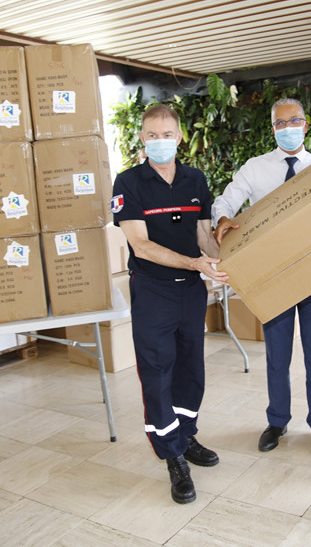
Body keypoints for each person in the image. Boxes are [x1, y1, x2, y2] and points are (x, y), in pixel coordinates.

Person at [111, 103, 228, 505]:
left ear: (179, 137)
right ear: (142, 137)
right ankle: (172, 455)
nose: (159, 141)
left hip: (190, 291)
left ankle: (186, 436)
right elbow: (140, 246)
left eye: (167, 134)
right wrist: (196, 263)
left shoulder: (195, 179)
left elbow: (202, 233)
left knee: (191, 366)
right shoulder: (129, 182)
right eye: (151, 134)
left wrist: (220, 262)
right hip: (153, 291)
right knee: (158, 371)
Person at [212, 97, 311, 457]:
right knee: (277, 353)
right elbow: (225, 202)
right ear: (272, 129)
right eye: (280, 124)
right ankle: (277, 420)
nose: (287, 128)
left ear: (306, 124)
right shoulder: (256, 168)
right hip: (273, 274)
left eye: (293, 121)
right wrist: (223, 219)